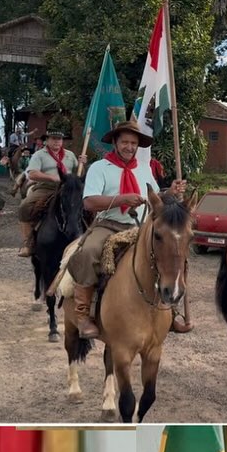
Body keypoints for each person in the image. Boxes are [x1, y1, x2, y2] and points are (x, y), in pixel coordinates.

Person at [67, 120, 187, 338]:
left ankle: (170, 309)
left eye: (133, 143)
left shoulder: (144, 169)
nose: (129, 147)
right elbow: (89, 203)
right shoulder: (99, 168)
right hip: (108, 225)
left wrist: (170, 192)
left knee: (170, 252)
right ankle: (83, 315)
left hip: (138, 226)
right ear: (115, 142)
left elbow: (156, 200)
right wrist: (122, 198)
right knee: (87, 252)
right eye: (125, 142)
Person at [16, 124, 86, 257]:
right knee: (24, 207)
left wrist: (84, 163)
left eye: (59, 139)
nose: (56, 141)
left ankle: (88, 236)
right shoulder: (39, 155)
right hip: (46, 187)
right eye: (53, 138)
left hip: (68, 188)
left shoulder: (70, 155)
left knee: (88, 206)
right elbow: (32, 174)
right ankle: (28, 243)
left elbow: (78, 172)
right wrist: (51, 177)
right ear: (47, 140)